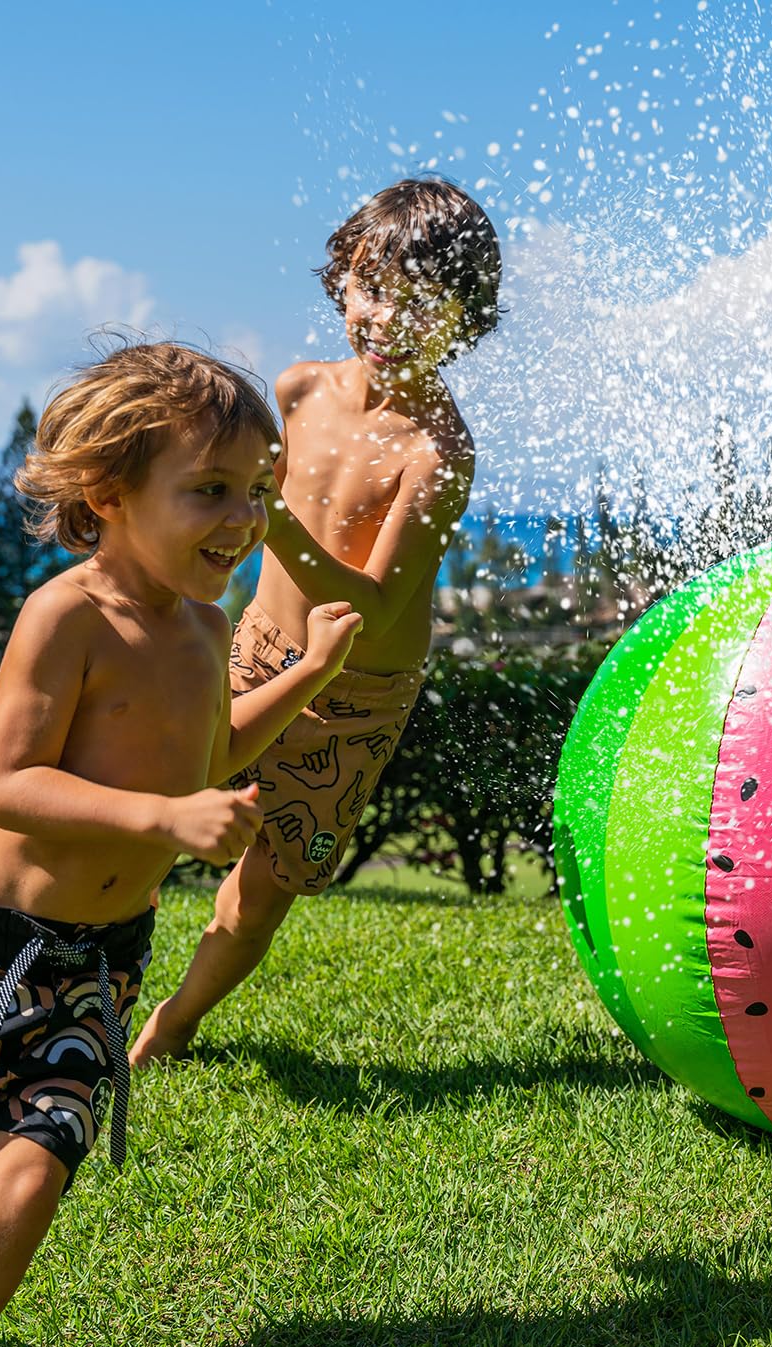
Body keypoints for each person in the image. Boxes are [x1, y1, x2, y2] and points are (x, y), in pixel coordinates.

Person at [0, 342, 362, 1347]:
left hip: (94, 972)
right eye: (211, 490)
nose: (243, 519)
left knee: (25, 1183)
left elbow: (210, 753)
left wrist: (311, 673)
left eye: (256, 490)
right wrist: (163, 819)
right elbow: (6, 784)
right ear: (108, 494)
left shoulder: (203, 627)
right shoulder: (68, 616)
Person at [130, 178, 502, 1067]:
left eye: (422, 302)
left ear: (464, 318)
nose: (386, 317)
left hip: (355, 692)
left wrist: (273, 515)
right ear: (343, 280)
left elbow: (371, 606)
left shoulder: (439, 452)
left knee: (265, 881)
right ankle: (84, 974)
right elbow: (222, 506)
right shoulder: (298, 389)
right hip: (257, 645)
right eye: (372, 287)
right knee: (154, 796)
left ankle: (169, 1029)